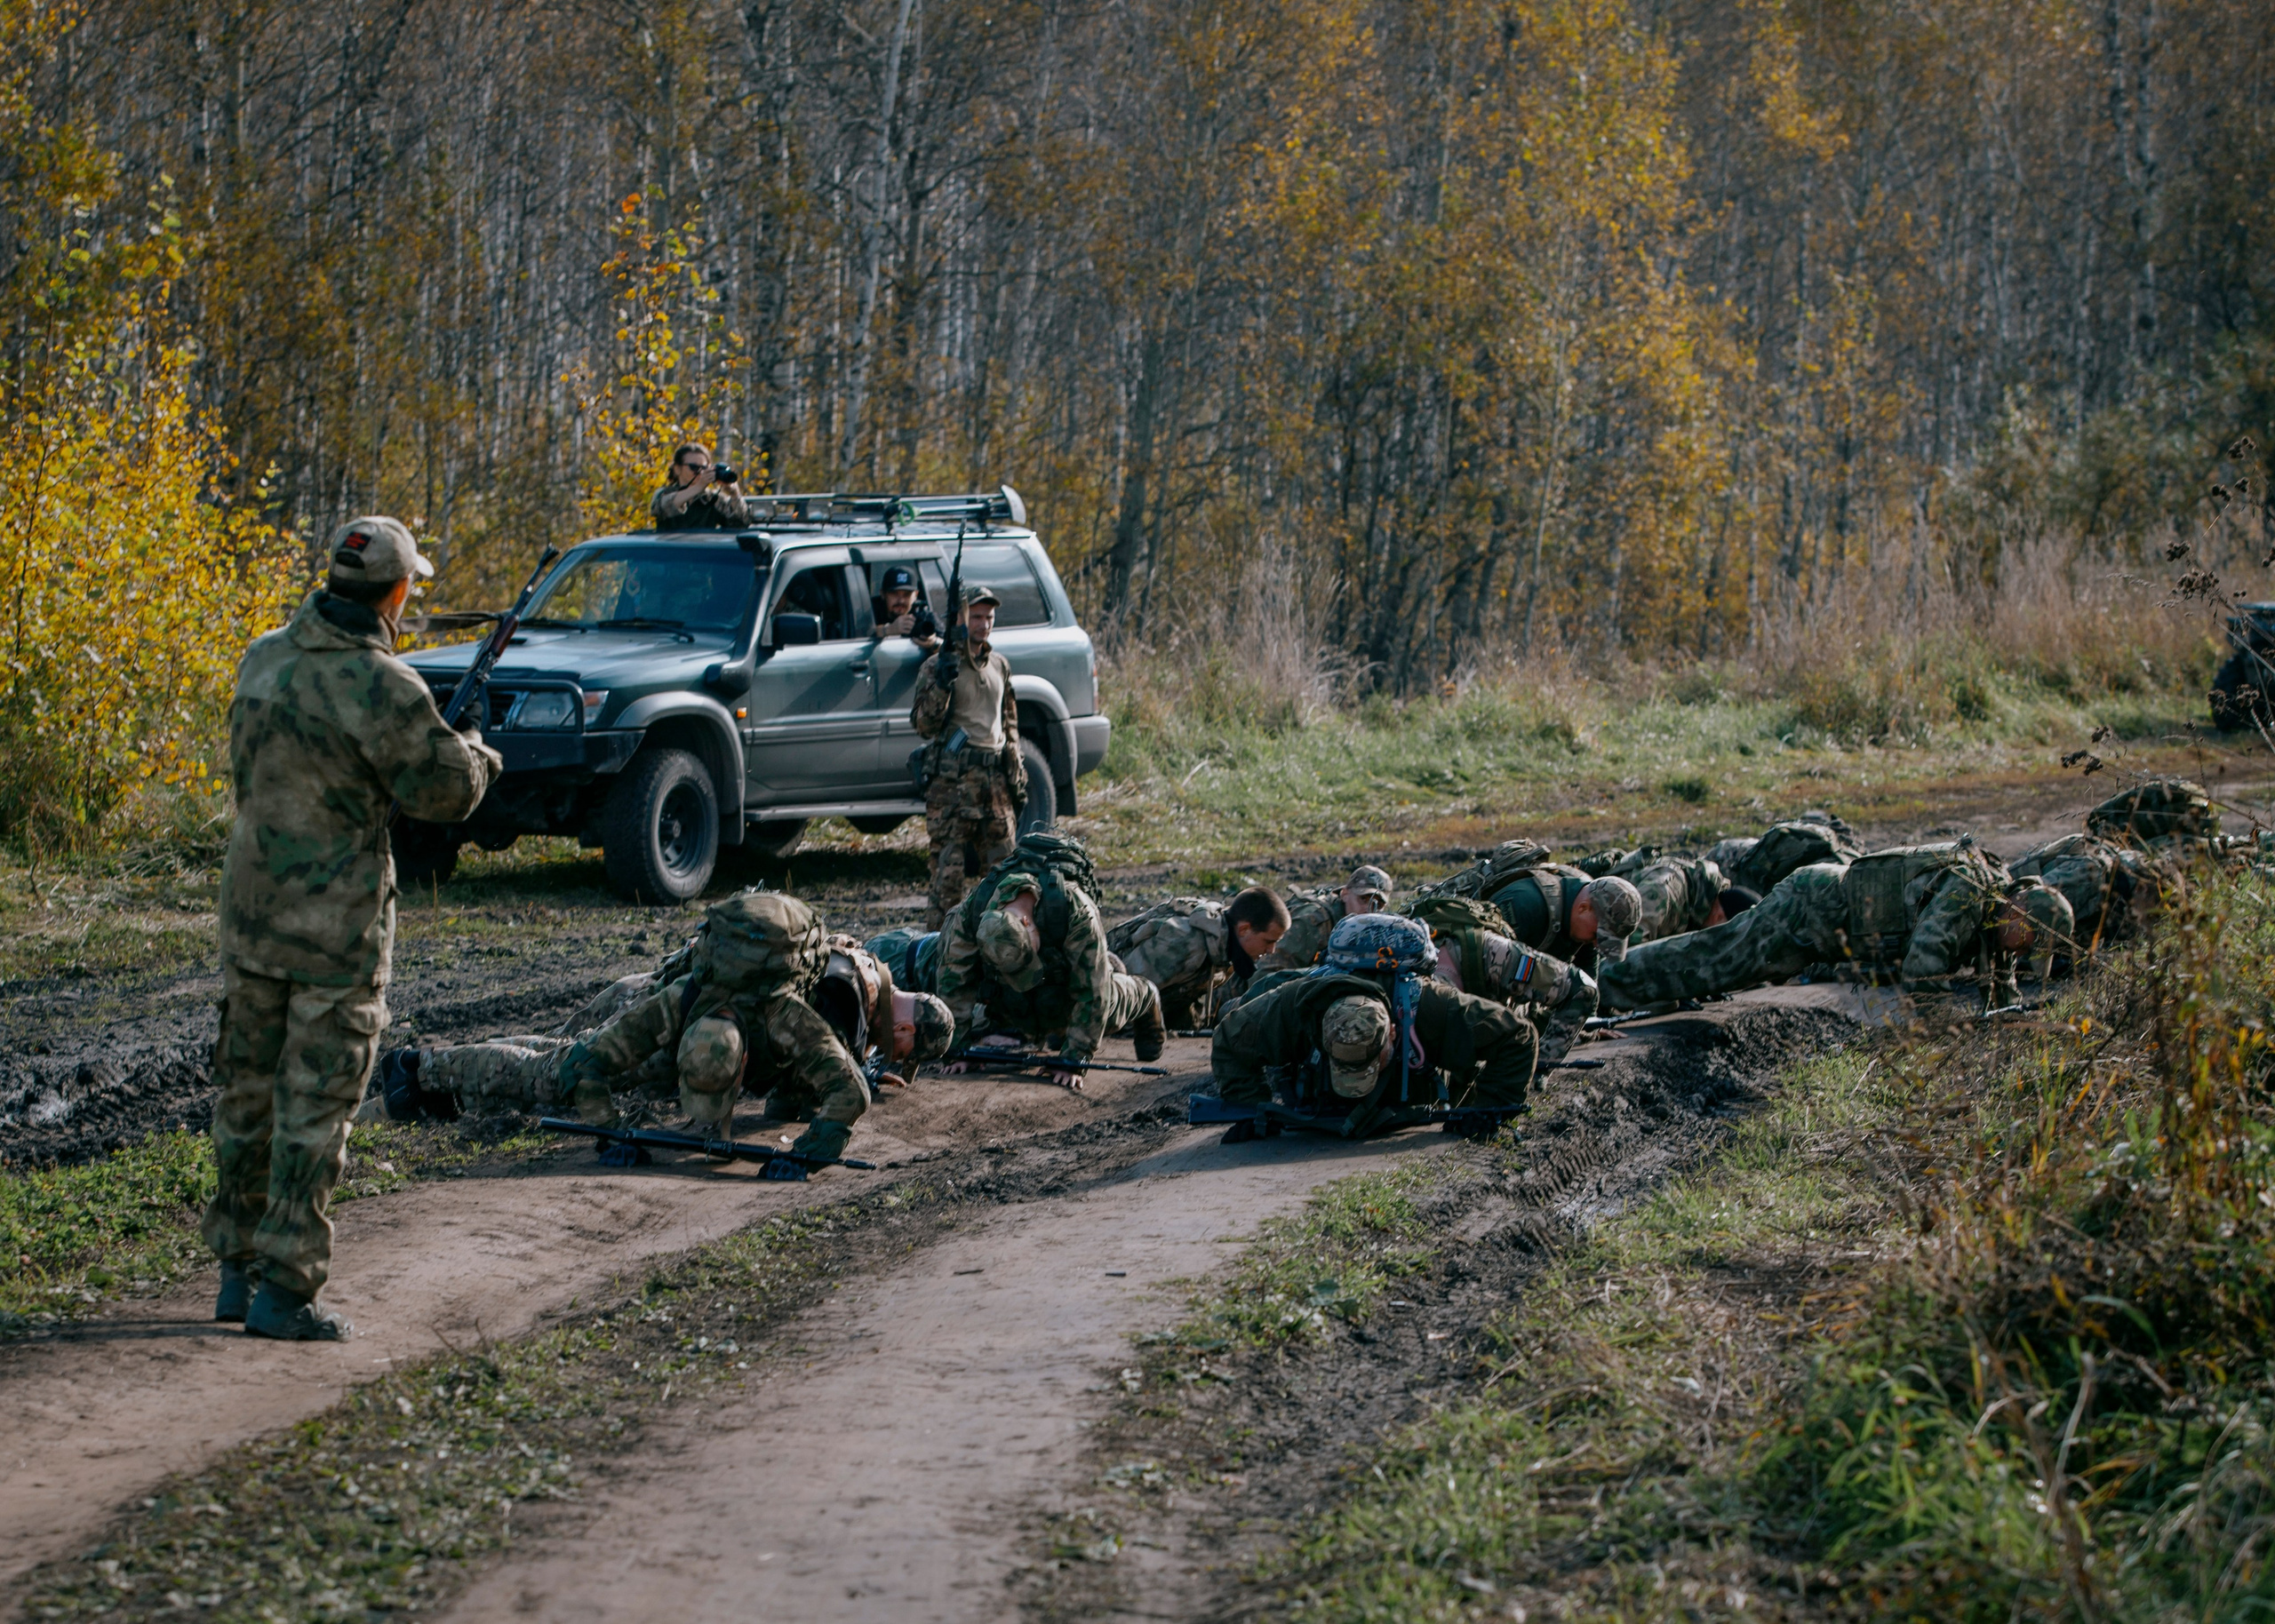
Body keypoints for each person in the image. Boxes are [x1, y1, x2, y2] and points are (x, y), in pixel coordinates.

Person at [204, 517, 502, 1341]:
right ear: (398, 591)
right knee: (315, 1110)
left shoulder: (264, 653)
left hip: (253, 917)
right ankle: (284, 1291)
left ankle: (235, 1271)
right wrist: (477, 751)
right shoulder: (385, 685)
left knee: (246, 1099)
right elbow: (447, 794)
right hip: (337, 933)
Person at [377, 896, 954, 1165]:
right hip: (669, 1029)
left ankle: (437, 1085)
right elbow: (788, 1097)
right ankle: (417, 1071)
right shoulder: (844, 1005)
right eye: (896, 1049)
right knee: (556, 1073)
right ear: (905, 1031)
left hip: (659, 991)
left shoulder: (857, 962)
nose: (885, 1052)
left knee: (558, 1054)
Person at [1599, 842, 2073, 1012]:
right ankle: (1598, 984)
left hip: (1827, 926)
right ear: (2021, 913)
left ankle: (1610, 985)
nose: (2021, 949)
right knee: (1713, 959)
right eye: (2029, 939)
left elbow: (2001, 969)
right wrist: (1939, 1031)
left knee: (1715, 964)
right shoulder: (1972, 888)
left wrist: (2007, 1008)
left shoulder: (1997, 906)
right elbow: (1923, 966)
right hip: (1811, 908)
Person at [1209, 954, 1537, 1131]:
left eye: (1368, 1066)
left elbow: (1519, 1035)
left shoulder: (1437, 1009)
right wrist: (1251, 1110)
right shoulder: (1292, 1009)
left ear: (1392, 1034)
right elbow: (1228, 1039)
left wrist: (1486, 1110)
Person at [936, 837, 1164, 1087]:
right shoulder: (970, 912)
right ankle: (1054, 1028)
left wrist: (1074, 1059)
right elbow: (954, 982)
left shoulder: (1074, 910)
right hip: (1009, 991)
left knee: (1106, 1009)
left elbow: (1093, 993)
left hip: (1070, 979)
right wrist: (957, 1050)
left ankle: (1144, 993)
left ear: (1026, 923)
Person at [912, 585, 1026, 929]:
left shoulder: (1000, 666)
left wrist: (1016, 771)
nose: (984, 624)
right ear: (962, 618)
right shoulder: (939, 665)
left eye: (989, 617)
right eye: (976, 616)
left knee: (1006, 875)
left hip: (994, 784)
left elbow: (1009, 723)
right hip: (954, 786)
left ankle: (1000, 946)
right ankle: (936, 951)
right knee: (948, 879)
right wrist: (942, 685)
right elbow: (924, 725)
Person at [1107, 886, 1292, 1029]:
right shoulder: (1183, 944)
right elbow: (1120, 991)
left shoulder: (1226, 946)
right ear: (1244, 929)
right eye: (1268, 941)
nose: (1271, 950)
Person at [1425, 924, 1597, 1072]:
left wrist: (1542, 1065)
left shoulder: (1502, 958)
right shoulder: (1421, 993)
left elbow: (1583, 990)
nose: (1596, 943)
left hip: (1489, 963)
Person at [2008, 832, 2180, 954]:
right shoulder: (2091, 875)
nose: (2150, 920)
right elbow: (2026, 901)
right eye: (2153, 911)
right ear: (2141, 888)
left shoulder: (2123, 893)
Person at [1484, 863, 1642, 973]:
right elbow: (1484, 964)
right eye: (1597, 935)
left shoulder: (1584, 917)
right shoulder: (1526, 905)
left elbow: (1585, 979)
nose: (1597, 944)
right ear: (1583, 908)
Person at [1257, 865, 1394, 972]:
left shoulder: (1371, 928)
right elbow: (1266, 973)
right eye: (1363, 899)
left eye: (1378, 905)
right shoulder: (1313, 921)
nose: (1368, 910)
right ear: (1345, 894)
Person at [649, 442, 750, 531]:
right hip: (670, 550)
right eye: (694, 467)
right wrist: (699, 486)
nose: (700, 472)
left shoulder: (713, 499)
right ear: (677, 469)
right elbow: (662, 508)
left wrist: (735, 495)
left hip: (703, 550)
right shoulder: (664, 494)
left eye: (704, 468)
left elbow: (740, 525)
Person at [870, 564, 939, 649]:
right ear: (883, 594)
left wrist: (934, 644)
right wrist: (888, 630)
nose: (901, 600)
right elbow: (858, 636)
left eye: (907, 595)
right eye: (894, 594)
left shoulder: (922, 614)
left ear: (916, 595)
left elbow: (951, 645)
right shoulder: (871, 612)